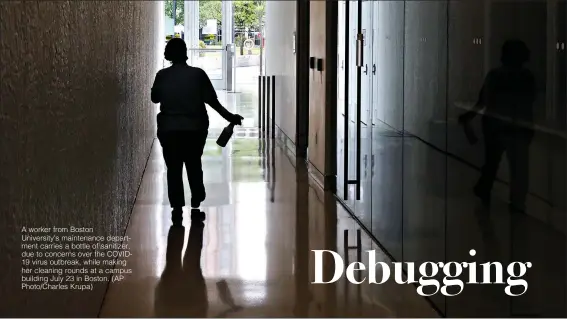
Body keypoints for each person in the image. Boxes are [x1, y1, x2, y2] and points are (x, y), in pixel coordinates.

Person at [151, 38, 243, 221]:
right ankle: (196, 202)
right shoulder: (198, 75)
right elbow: (213, 102)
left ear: (168, 54)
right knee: (194, 165)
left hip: (169, 130)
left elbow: (155, 99)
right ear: (185, 52)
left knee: (174, 168)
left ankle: (177, 208)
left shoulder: (162, 75)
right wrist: (230, 117)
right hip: (195, 130)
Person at [459, 39, 535, 213]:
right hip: (517, 130)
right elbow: (527, 104)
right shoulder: (526, 77)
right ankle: (516, 204)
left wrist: (468, 117)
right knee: (518, 170)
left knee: (492, 164)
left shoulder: (495, 76)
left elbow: (482, 101)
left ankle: (485, 191)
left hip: (495, 128)